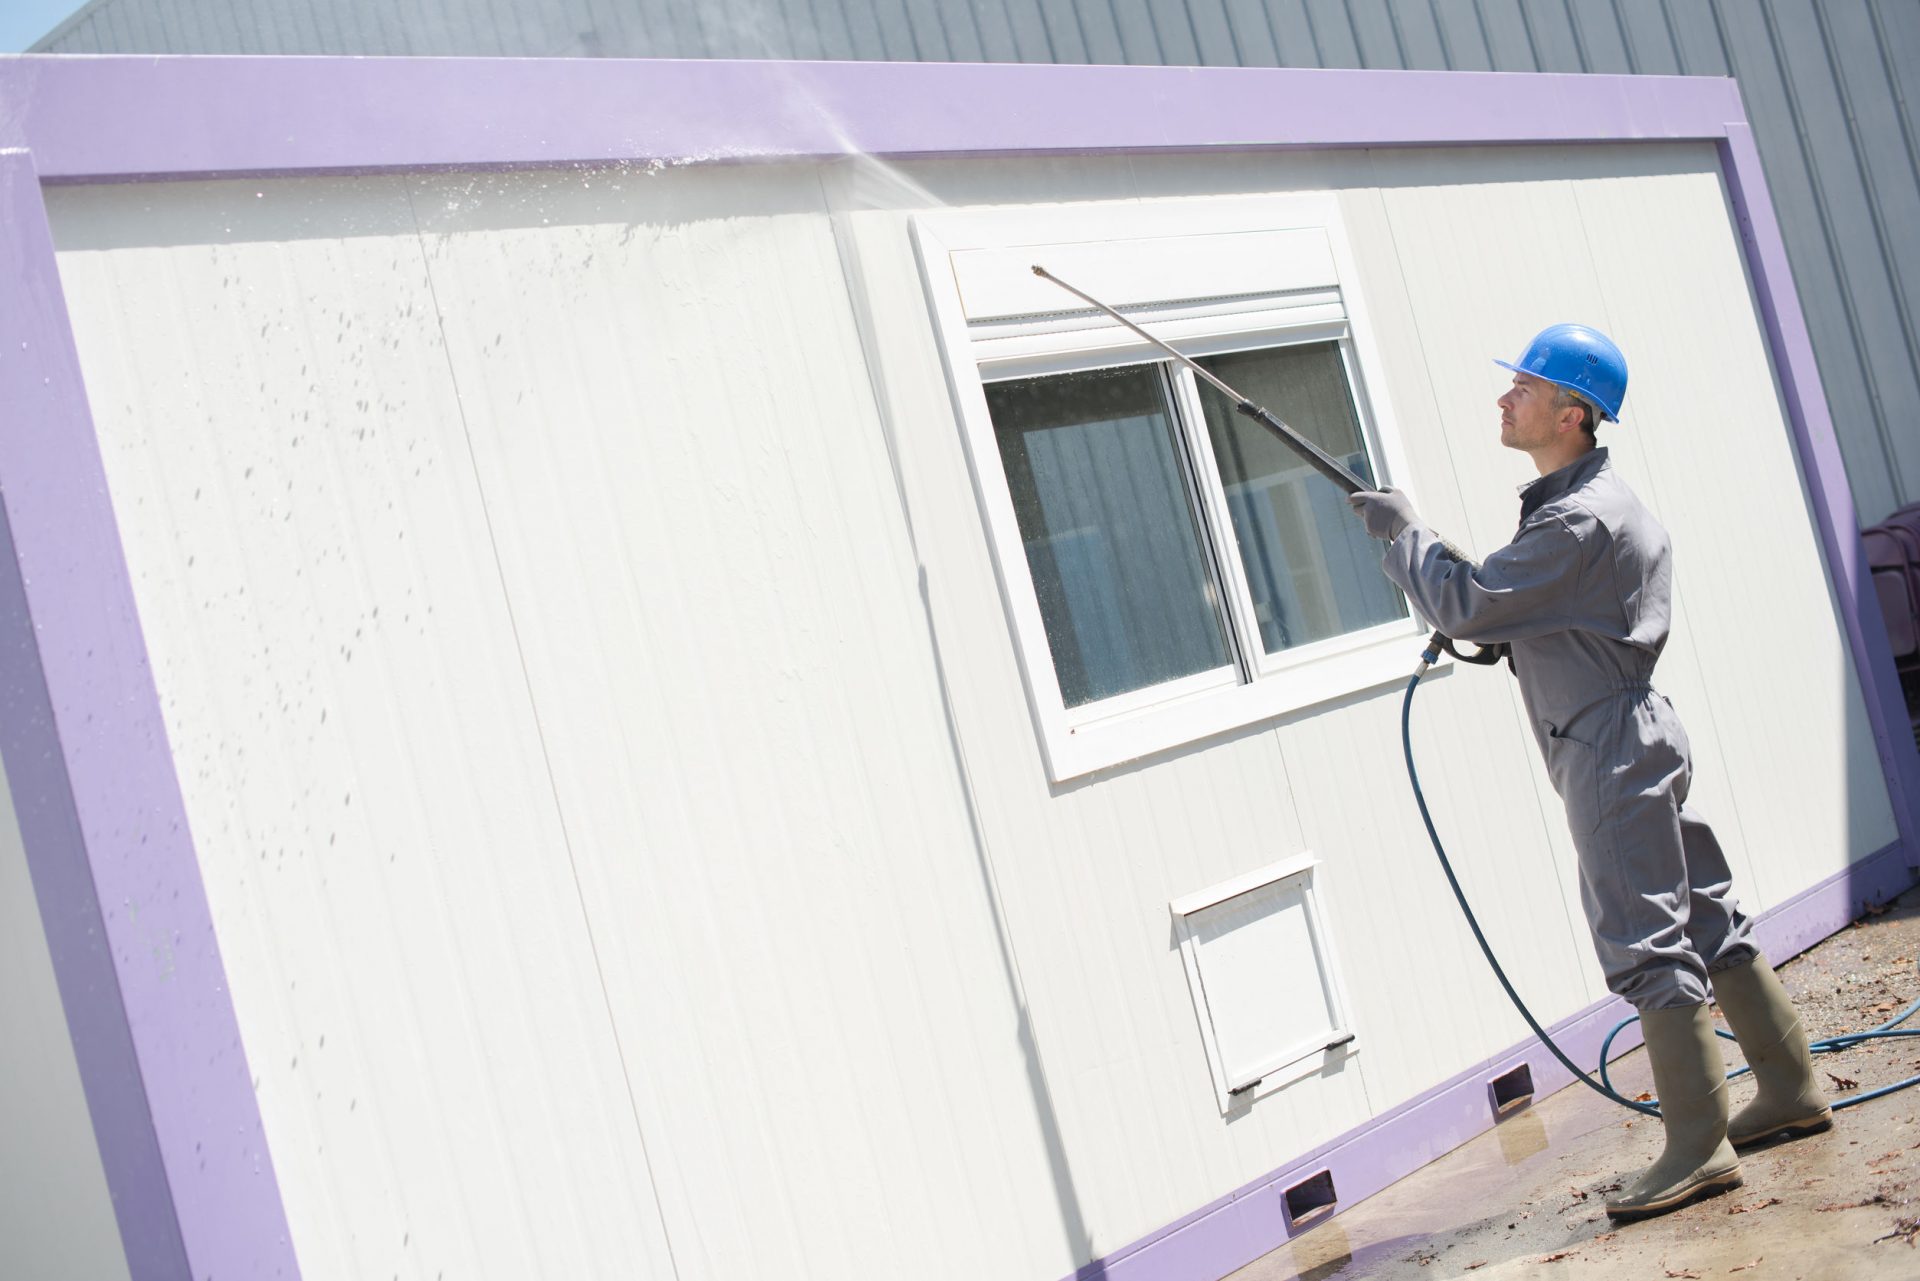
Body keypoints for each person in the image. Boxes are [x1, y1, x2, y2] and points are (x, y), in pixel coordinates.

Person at [1347, 325, 1831, 1221]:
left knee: (1644, 938)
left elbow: (1470, 601)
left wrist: (1404, 533)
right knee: (1702, 911)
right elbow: (1524, 610)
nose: (1504, 400)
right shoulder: (1592, 505)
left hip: (1606, 744)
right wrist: (1491, 611)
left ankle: (1697, 1145)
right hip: (1635, 726)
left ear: (1574, 413)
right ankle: (1791, 1086)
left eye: (1524, 388)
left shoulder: (1576, 519)